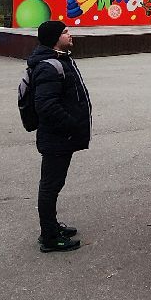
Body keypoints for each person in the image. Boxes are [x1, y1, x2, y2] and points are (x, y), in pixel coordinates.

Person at [27, 19, 91, 253]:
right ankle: (50, 237)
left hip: (61, 136)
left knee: (54, 183)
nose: (70, 34)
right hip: (57, 137)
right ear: (55, 38)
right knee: (50, 186)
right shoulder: (48, 66)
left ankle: (52, 226)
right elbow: (46, 105)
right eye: (65, 32)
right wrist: (71, 124)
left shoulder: (59, 60)